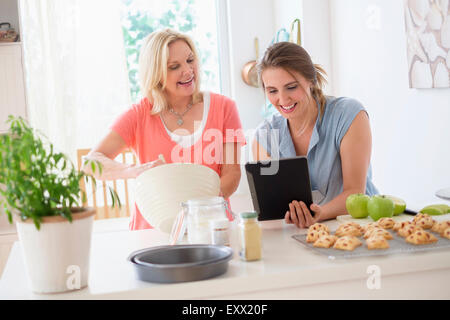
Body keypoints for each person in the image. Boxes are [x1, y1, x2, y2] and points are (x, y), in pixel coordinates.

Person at [84, 29, 246, 230]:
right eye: (174, 66)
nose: (188, 71)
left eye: (190, 60)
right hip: (153, 231)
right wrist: (135, 170)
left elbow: (232, 173)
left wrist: (198, 207)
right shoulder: (139, 114)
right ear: (156, 73)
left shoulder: (225, 107)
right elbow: (90, 162)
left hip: (210, 227)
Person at [252, 41, 378, 229]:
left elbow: (355, 193)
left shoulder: (348, 114)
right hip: (303, 233)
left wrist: (319, 214)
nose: (283, 99)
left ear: (311, 80)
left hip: (358, 227)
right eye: (272, 91)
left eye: (291, 87)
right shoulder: (265, 136)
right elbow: (272, 205)